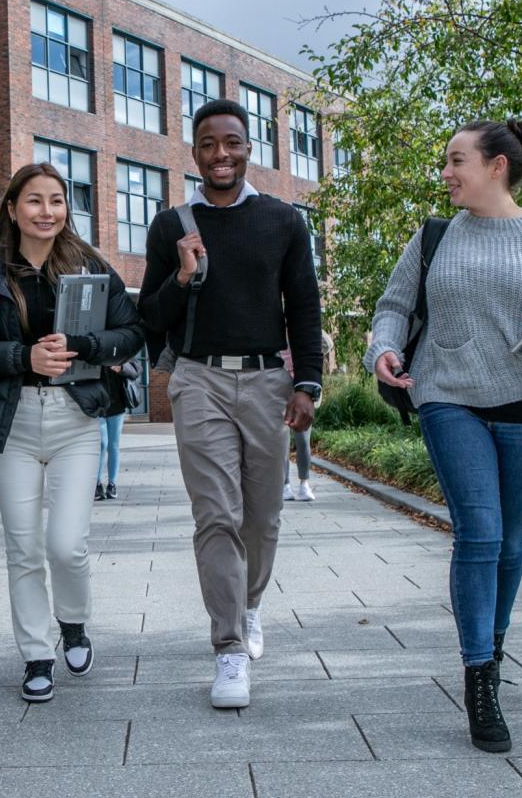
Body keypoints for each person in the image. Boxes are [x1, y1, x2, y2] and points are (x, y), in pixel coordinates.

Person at [365, 119, 522, 754]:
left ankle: (491, 651)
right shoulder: (434, 237)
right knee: (481, 532)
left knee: (511, 544)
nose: (445, 172)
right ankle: (479, 678)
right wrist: (384, 351)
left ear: (497, 166)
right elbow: (393, 307)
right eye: (446, 162)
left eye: (456, 161)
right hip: (449, 396)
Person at [139, 98, 322, 709]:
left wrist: (308, 383)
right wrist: (183, 276)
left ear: (250, 149)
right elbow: (149, 320)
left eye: (233, 142)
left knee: (262, 518)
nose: (222, 154)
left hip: (269, 380)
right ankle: (229, 650)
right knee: (216, 514)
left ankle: (250, 604)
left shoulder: (282, 221)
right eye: (209, 144)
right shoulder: (173, 225)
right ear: (194, 153)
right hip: (199, 380)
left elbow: (303, 306)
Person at [0, 163, 144, 702]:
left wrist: (85, 348)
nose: (47, 212)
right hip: (11, 423)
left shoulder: (91, 268)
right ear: (12, 210)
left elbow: (131, 334)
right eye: (34, 201)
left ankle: (75, 622)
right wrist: (22, 356)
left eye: (57, 201)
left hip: (76, 419)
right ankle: (37, 655)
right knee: (23, 549)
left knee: (67, 545)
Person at [96, 359, 141, 500]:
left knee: (113, 445)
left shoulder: (120, 350)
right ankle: (97, 484)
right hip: (97, 407)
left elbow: (136, 370)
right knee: (102, 444)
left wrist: (121, 367)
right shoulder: (94, 351)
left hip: (117, 407)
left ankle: (112, 484)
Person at [279, 346, 315, 502]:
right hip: (278, 389)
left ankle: (304, 483)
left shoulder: (299, 328)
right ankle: (285, 484)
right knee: (282, 440)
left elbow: (325, 344)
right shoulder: (276, 330)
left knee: (303, 439)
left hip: (302, 390)